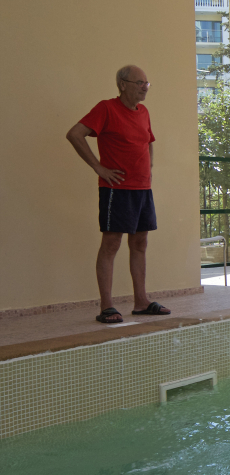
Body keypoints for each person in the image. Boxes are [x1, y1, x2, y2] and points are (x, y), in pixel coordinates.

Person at [66, 65, 171, 323]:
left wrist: (149, 167)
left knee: (140, 243)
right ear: (123, 84)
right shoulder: (106, 108)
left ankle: (141, 301)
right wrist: (98, 167)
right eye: (139, 83)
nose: (145, 87)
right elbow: (75, 134)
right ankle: (107, 307)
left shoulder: (144, 112)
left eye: (147, 83)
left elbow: (148, 142)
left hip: (142, 189)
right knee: (111, 243)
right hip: (116, 189)